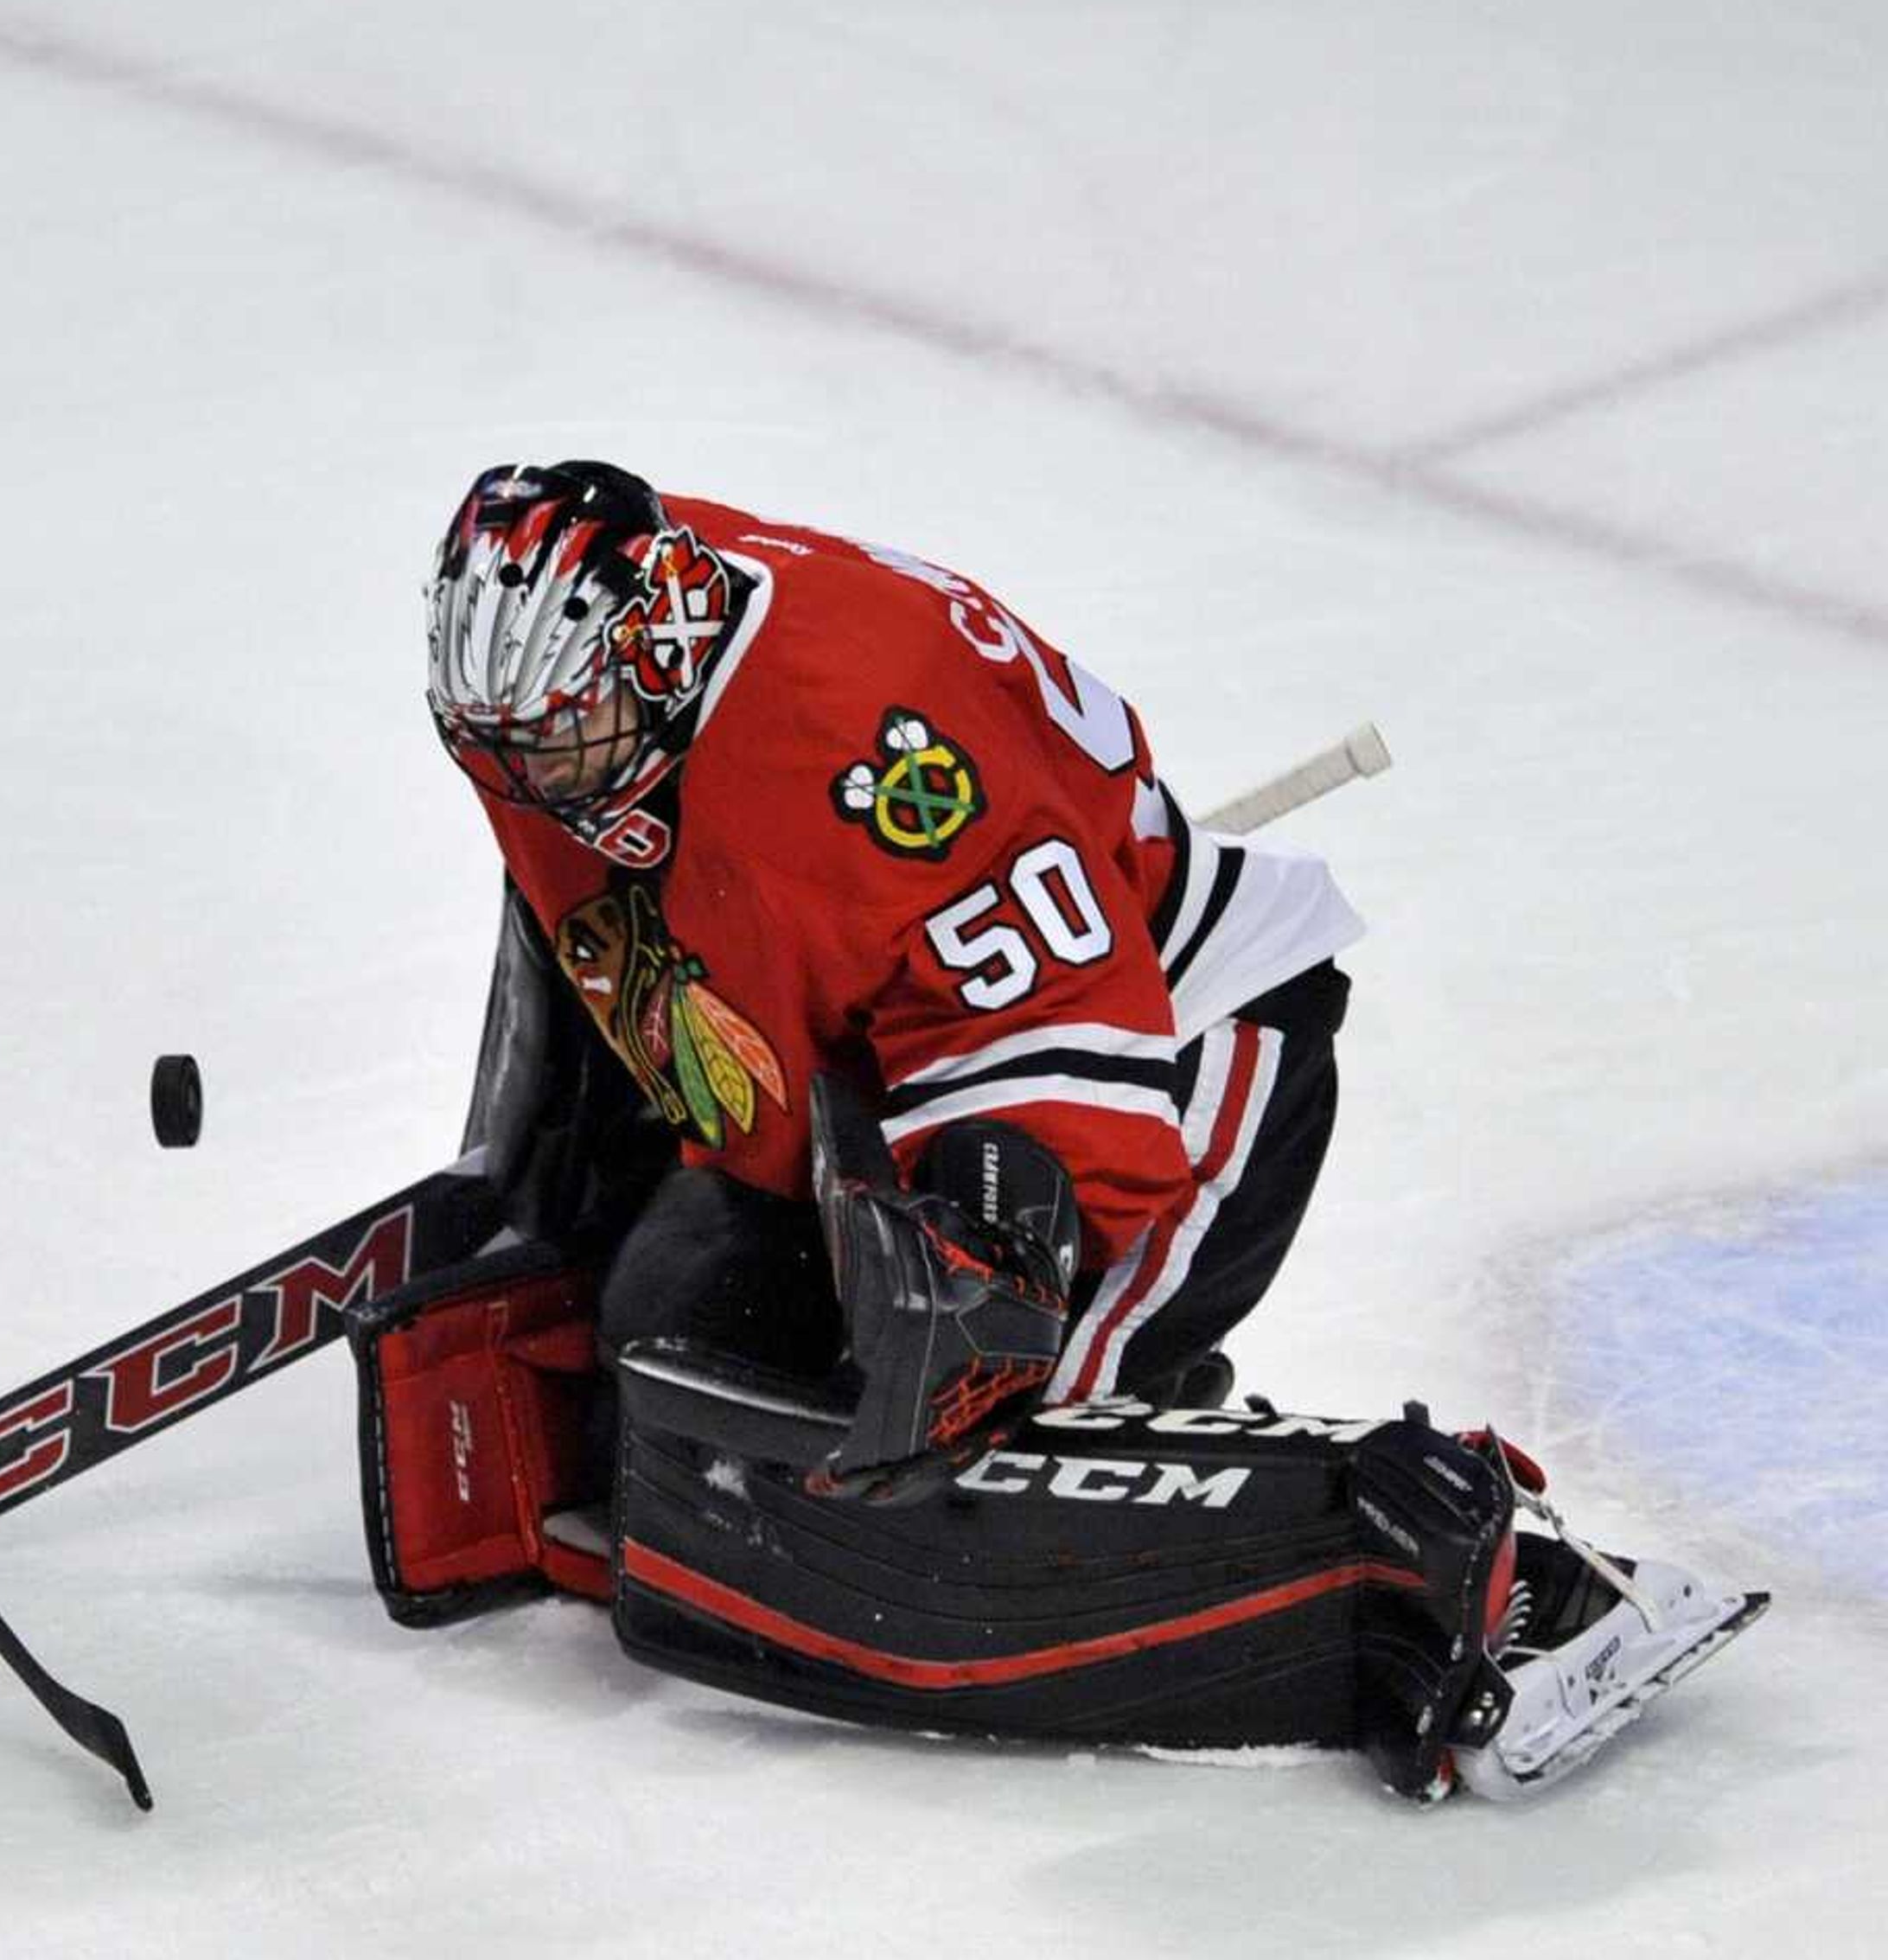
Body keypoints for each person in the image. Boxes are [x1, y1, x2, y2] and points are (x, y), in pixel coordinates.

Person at [350, 461, 1761, 1799]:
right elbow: (629, 917)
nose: (528, 774)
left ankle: (1506, 1574)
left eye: (554, 737)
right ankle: (1103, 1389)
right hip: (889, 1082)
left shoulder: (872, 736)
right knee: (668, 1355)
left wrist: (983, 1299)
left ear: (656, 653)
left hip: (1176, 1051)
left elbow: (1063, 1033)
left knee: (930, 1475)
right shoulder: (572, 678)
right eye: (498, 743)